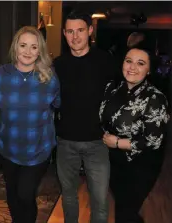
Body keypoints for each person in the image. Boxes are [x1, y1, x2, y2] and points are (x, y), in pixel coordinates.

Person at [0, 26, 61, 223]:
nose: (28, 52)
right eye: (23, 45)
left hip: (38, 149)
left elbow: (58, 104)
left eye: (34, 47)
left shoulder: (49, 79)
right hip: (8, 147)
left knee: (25, 193)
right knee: (12, 192)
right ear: (15, 47)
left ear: (40, 51)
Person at [53, 11, 118, 223]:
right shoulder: (58, 65)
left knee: (99, 200)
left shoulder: (105, 61)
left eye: (80, 30)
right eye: (70, 31)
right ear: (64, 33)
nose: (75, 36)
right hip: (65, 142)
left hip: (97, 142)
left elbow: (119, 97)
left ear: (90, 30)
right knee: (69, 197)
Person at [100, 46, 169, 223]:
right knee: (125, 207)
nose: (132, 67)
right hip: (113, 160)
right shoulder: (112, 88)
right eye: (128, 61)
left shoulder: (155, 98)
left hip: (141, 164)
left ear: (148, 70)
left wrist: (117, 143)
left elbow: (154, 140)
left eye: (140, 63)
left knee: (125, 211)